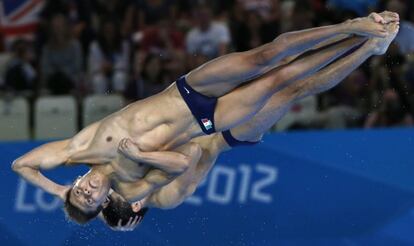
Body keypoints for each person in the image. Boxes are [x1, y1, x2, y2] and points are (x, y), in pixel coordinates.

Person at [12, 12, 398, 224]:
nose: (87, 191)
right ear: (103, 202)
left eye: (79, 190)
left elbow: (21, 163)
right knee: (286, 81)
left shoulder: (78, 148)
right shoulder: (135, 188)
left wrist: (57, 191)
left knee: (265, 57)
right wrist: (144, 157)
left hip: (185, 93)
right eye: (89, 200)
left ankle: (350, 28)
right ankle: (364, 44)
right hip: (212, 127)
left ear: (76, 180)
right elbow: (186, 160)